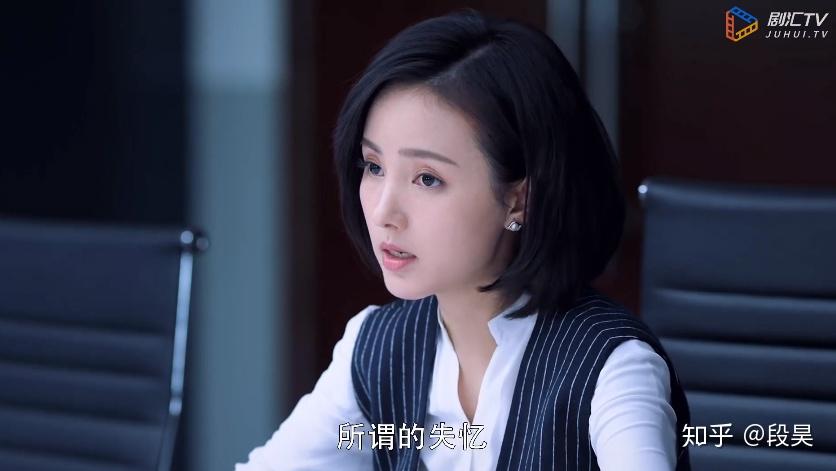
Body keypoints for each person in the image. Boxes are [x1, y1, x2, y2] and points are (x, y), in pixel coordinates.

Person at [236, 9, 691, 471]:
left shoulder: (611, 366)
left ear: (518, 200)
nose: (383, 212)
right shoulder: (377, 346)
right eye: (374, 167)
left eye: (427, 178)